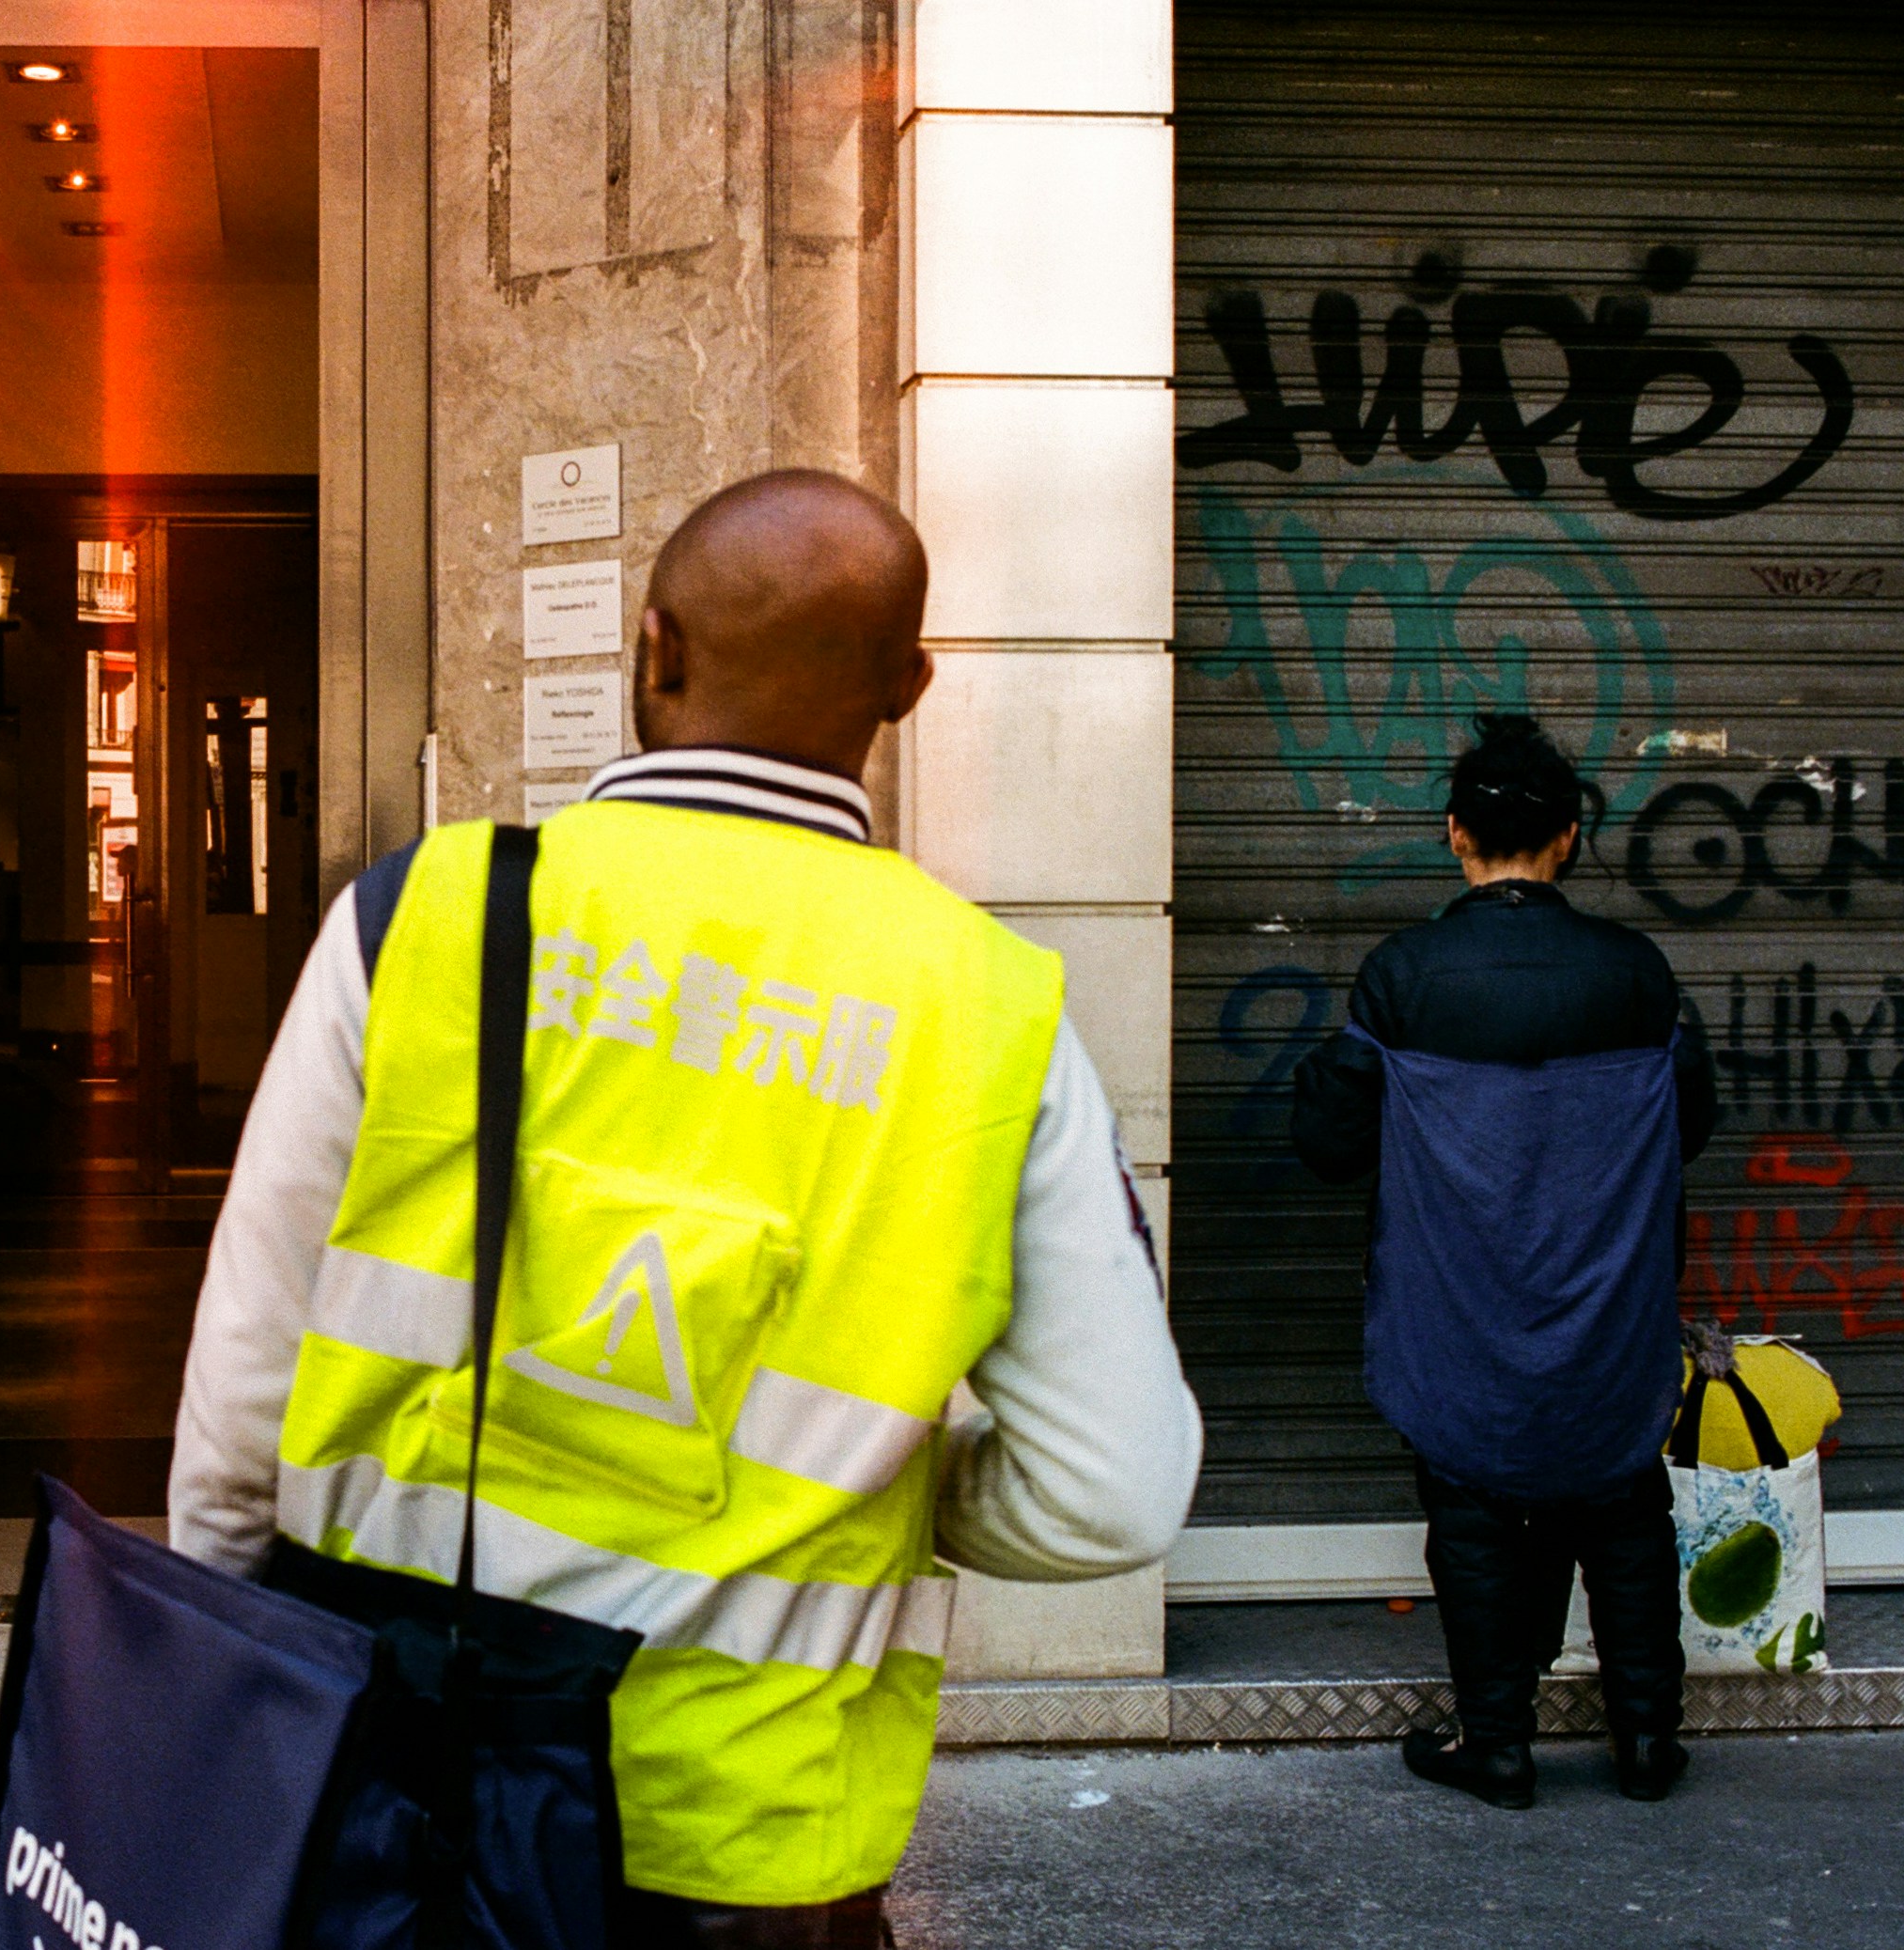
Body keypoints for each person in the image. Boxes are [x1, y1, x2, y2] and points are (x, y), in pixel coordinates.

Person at [169, 469, 1201, 1944]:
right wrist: (880, 1477)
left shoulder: (425, 913)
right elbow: (1116, 1488)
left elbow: (242, 1399)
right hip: (750, 1862)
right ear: (905, 687)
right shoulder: (989, 1011)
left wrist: (226, 1705)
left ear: (649, 646)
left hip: (395, 1792)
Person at [1289, 714, 1720, 1810]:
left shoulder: (1404, 975)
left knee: (1472, 1518)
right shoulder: (1636, 972)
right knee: (1624, 1508)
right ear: (1568, 840)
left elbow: (1330, 1146)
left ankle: (1498, 1745)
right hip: (1610, 1309)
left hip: (1459, 1312)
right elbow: (1693, 1121)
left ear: (1454, 835)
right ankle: (1646, 1740)